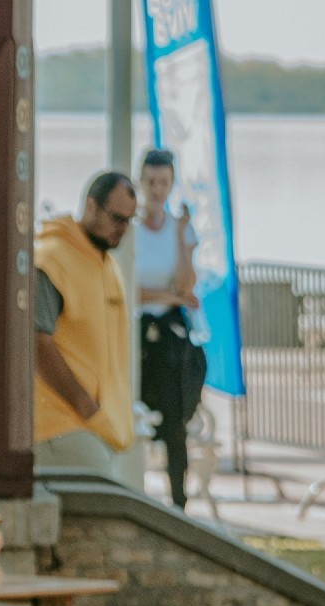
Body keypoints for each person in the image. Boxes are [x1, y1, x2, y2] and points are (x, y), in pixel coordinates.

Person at [33, 171, 138, 480]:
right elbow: (36, 343)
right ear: (91, 206)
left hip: (99, 426)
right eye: (116, 218)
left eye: (129, 221)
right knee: (114, 507)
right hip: (58, 425)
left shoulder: (107, 263)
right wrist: (85, 405)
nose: (123, 229)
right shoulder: (51, 257)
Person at [134, 148, 206, 509]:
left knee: (176, 421)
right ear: (141, 181)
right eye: (151, 182)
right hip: (138, 334)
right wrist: (169, 296)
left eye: (163, 182)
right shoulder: (131, 230)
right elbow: (130, 290)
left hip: (169, 337)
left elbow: (186, 286)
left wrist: (181, 236)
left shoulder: (180, 228)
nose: (157, 190)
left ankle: (179, 502)